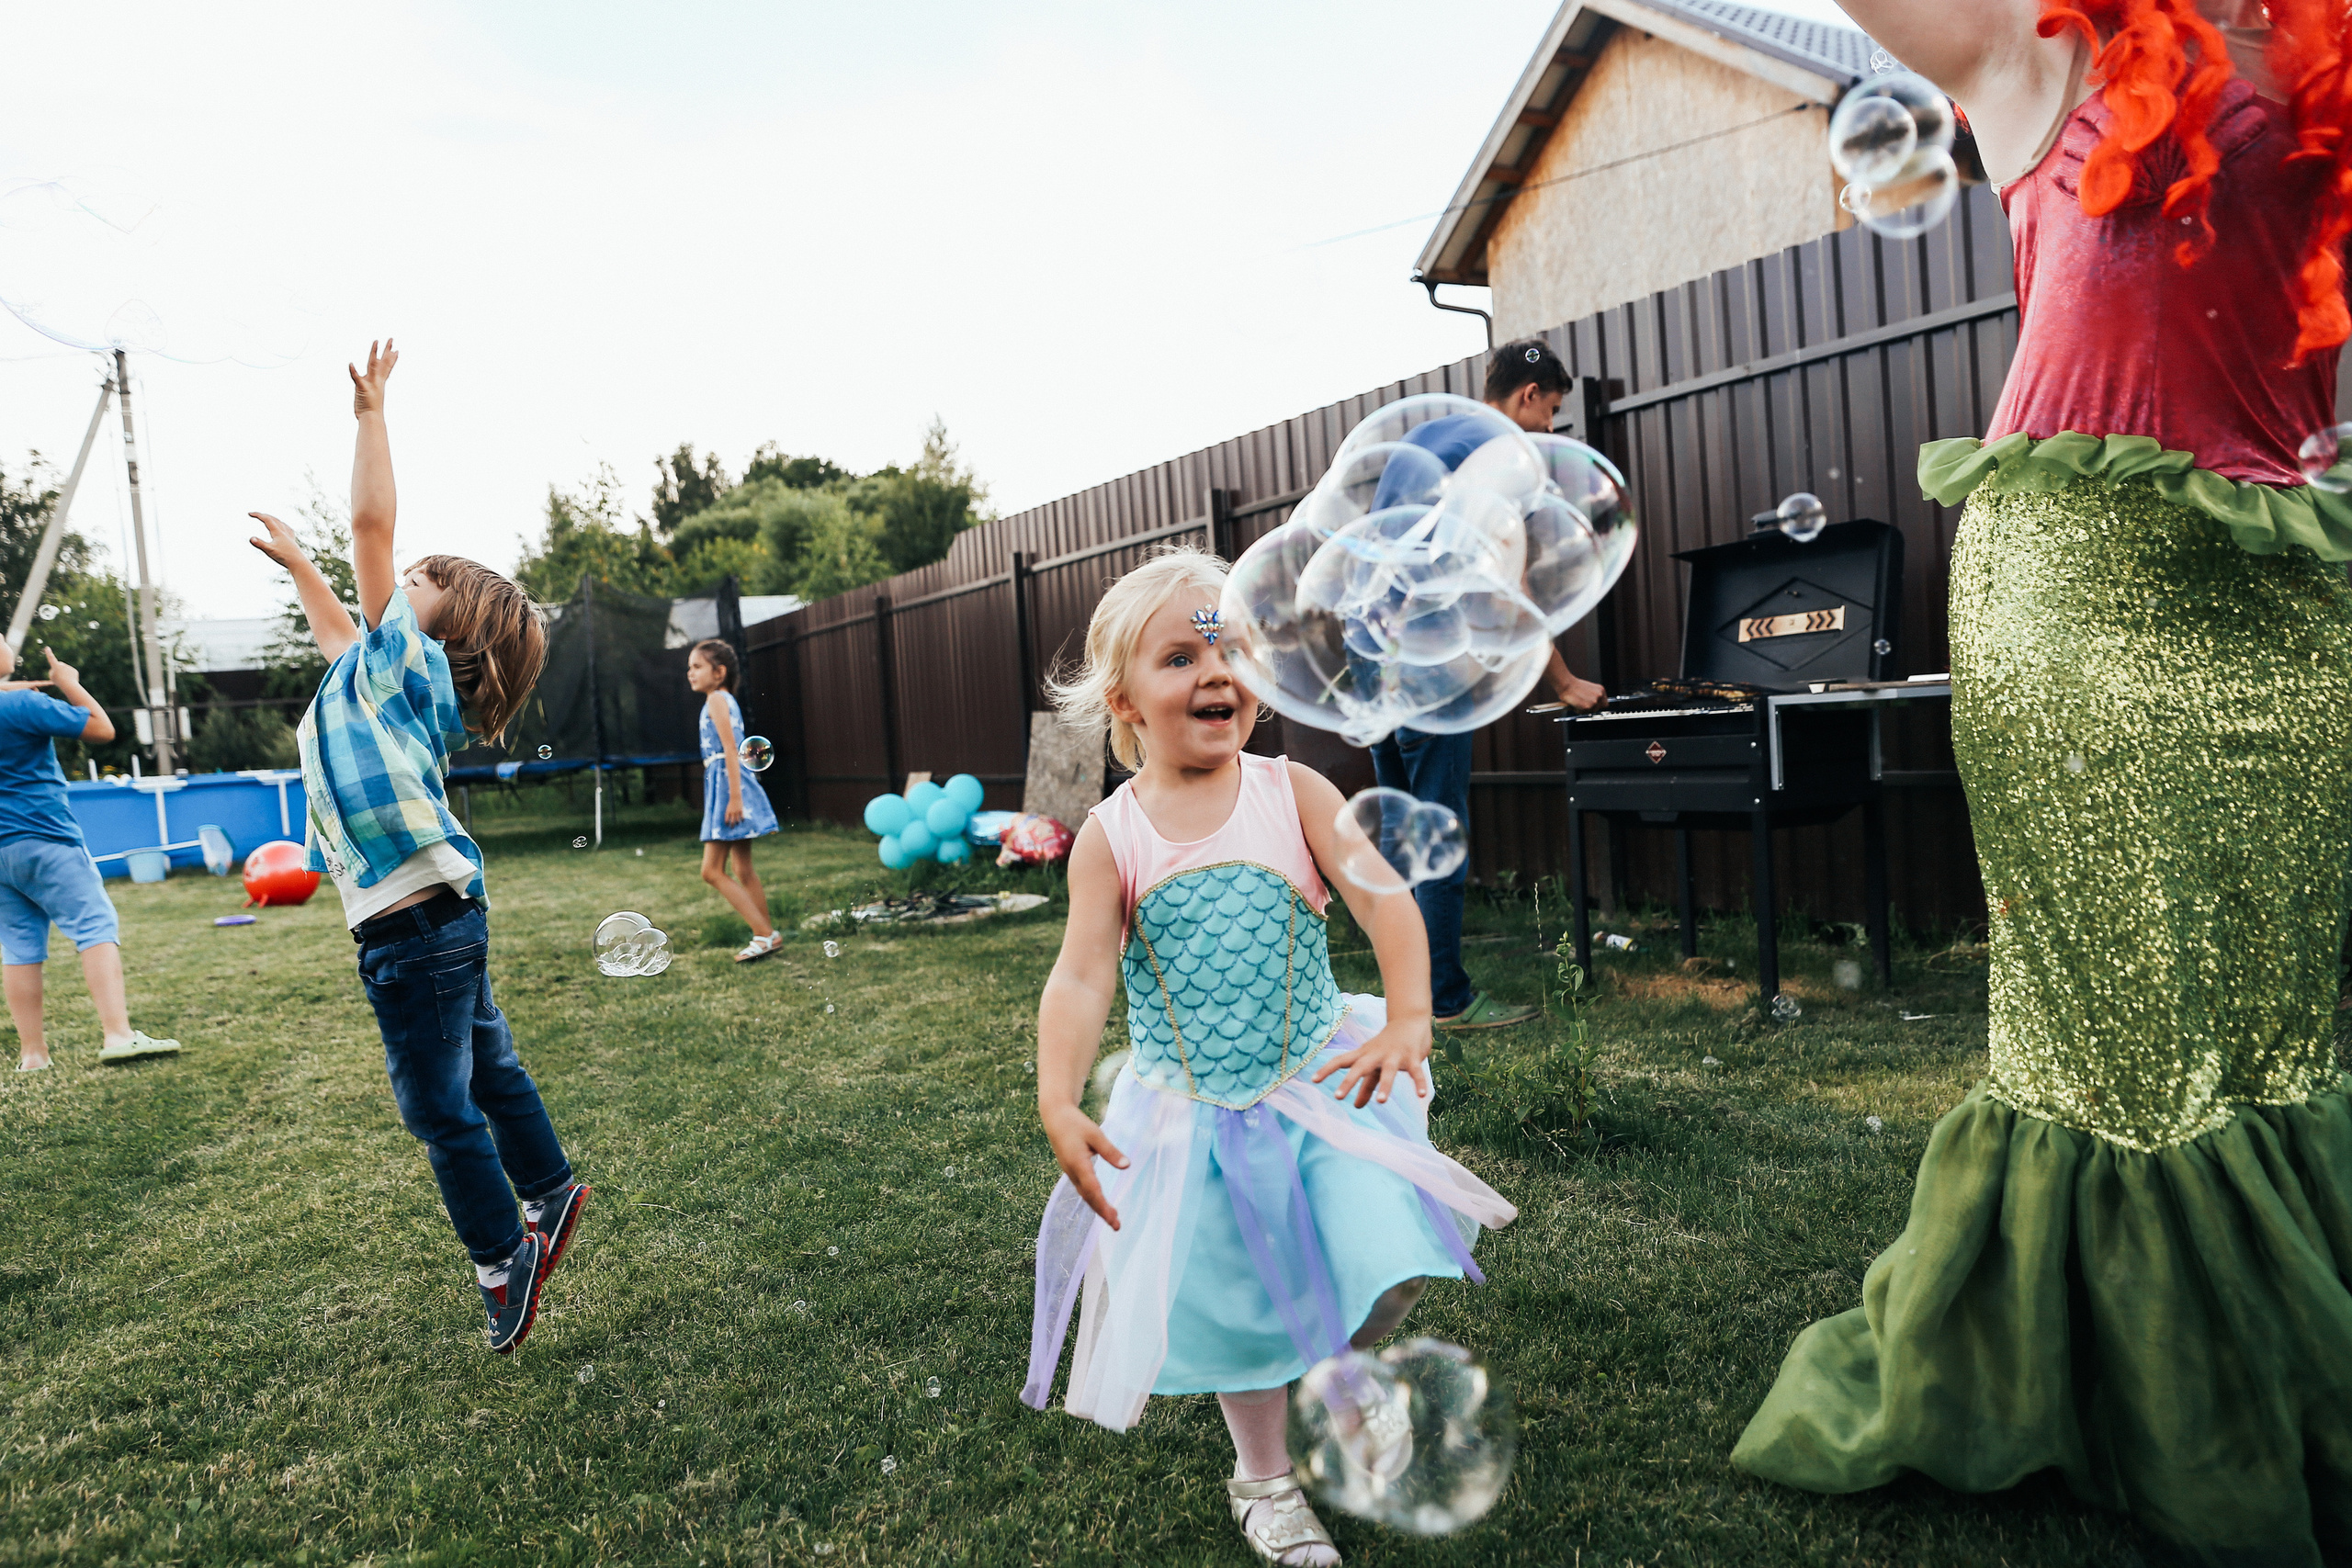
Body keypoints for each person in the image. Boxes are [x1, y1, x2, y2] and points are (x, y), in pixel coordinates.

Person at [1730, 4, 2352, 1562]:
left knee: (2270, 1019)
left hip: (2288, 585)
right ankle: (2151, 1401)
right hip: (2073, 583)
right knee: (2134, 1038)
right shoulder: (2039, 46)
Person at [1023, 546, 1516, 1568]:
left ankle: (1344, 1381)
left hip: (1314, 1085)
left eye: (1231, 648)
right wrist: (1059, 1097)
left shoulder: (1290, 791)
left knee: (1379, 1255)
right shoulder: (1112, 837)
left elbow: (1384, 896)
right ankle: (1265, 1481)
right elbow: (1080, 979)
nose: (1215, 673)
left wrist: (1408, 1012)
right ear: (1124, 699)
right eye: (1180, 658)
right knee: (1240, 1308)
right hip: (1190, 1115)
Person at [247, 338, 588, 1355]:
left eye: (420, 576)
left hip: (408, 925)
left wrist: (370, 415)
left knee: (434, 1106)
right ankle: (551, 1189)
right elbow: (332, 624)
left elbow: (371, 524)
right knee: (486, 1065)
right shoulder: (382, 674)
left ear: (446, 625)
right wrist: (301, 562)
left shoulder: (403, 664)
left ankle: (504, 1256)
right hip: (440, 912)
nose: (403, 575)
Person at [1370, 337, 1606, 1031]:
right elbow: (1509, 582)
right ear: (1527, 396)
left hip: (1375, 659)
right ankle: (1443, 998)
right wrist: (1562, 679)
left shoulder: (1430, 435)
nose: (1552, 431)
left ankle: (1405, 987)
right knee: (1439, 828)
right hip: (1431, 668)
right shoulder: (1505, 453)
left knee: (1403, 834)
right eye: (1553, 411)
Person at [0, 640, 180, 1070]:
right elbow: (102, 728)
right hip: (45, 837)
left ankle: (33, 1054)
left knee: (20, 946)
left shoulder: (18, 701)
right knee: (95, 925)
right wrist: (70, 684)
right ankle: (118, 1034)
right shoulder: (23, 704)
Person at [687, 637, 781, 962]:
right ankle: (768, 934)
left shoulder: (716, 700)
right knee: (743, 868)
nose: (691, 673)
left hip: (728, 785)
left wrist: (735, 799)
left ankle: (764, 933)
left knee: (711, 870)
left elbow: (730, 750)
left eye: (697, 666)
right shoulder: (727, 698)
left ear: (720, 671)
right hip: (731, 782)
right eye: (690, 667)